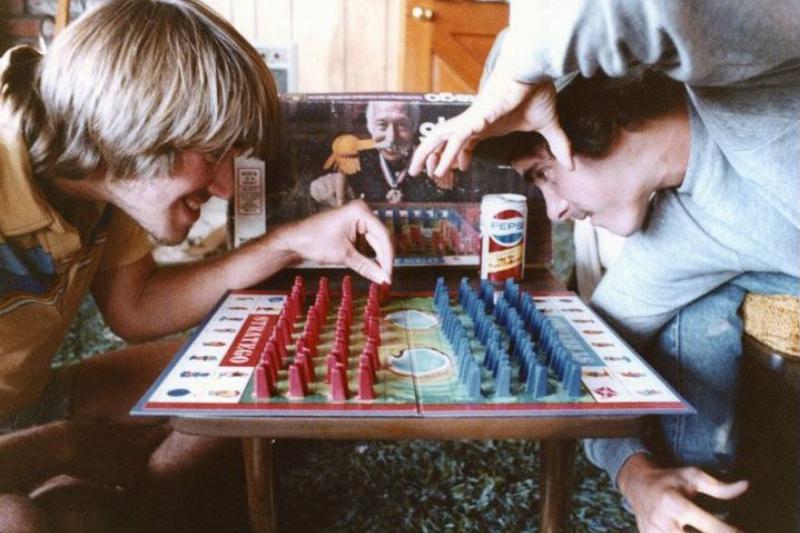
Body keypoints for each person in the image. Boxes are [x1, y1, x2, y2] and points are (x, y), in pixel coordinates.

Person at [0, 1, 393, 531]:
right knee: (20, 521)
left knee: (254, 370)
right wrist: (60, 448)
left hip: (24, 402)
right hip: (31, 432)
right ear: (127, 131)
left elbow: (134, 309)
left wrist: (288, 243)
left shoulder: (102, 172)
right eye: (213, 156)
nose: (229, 187)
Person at [410, 2, 799, 532]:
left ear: (598, 116)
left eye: (544, 172)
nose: (557, 210)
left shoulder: (752, 86)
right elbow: (587, 357)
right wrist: (636, 476)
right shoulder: (685, 235)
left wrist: (521, 75)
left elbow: (642, 7)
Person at [309, 100, 453, 206]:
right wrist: (322, 189)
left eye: (402, 125)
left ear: (414, 127)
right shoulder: (351, 162)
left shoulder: (435, 162)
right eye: (382, 125)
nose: (391, 138)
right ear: (370, 127)